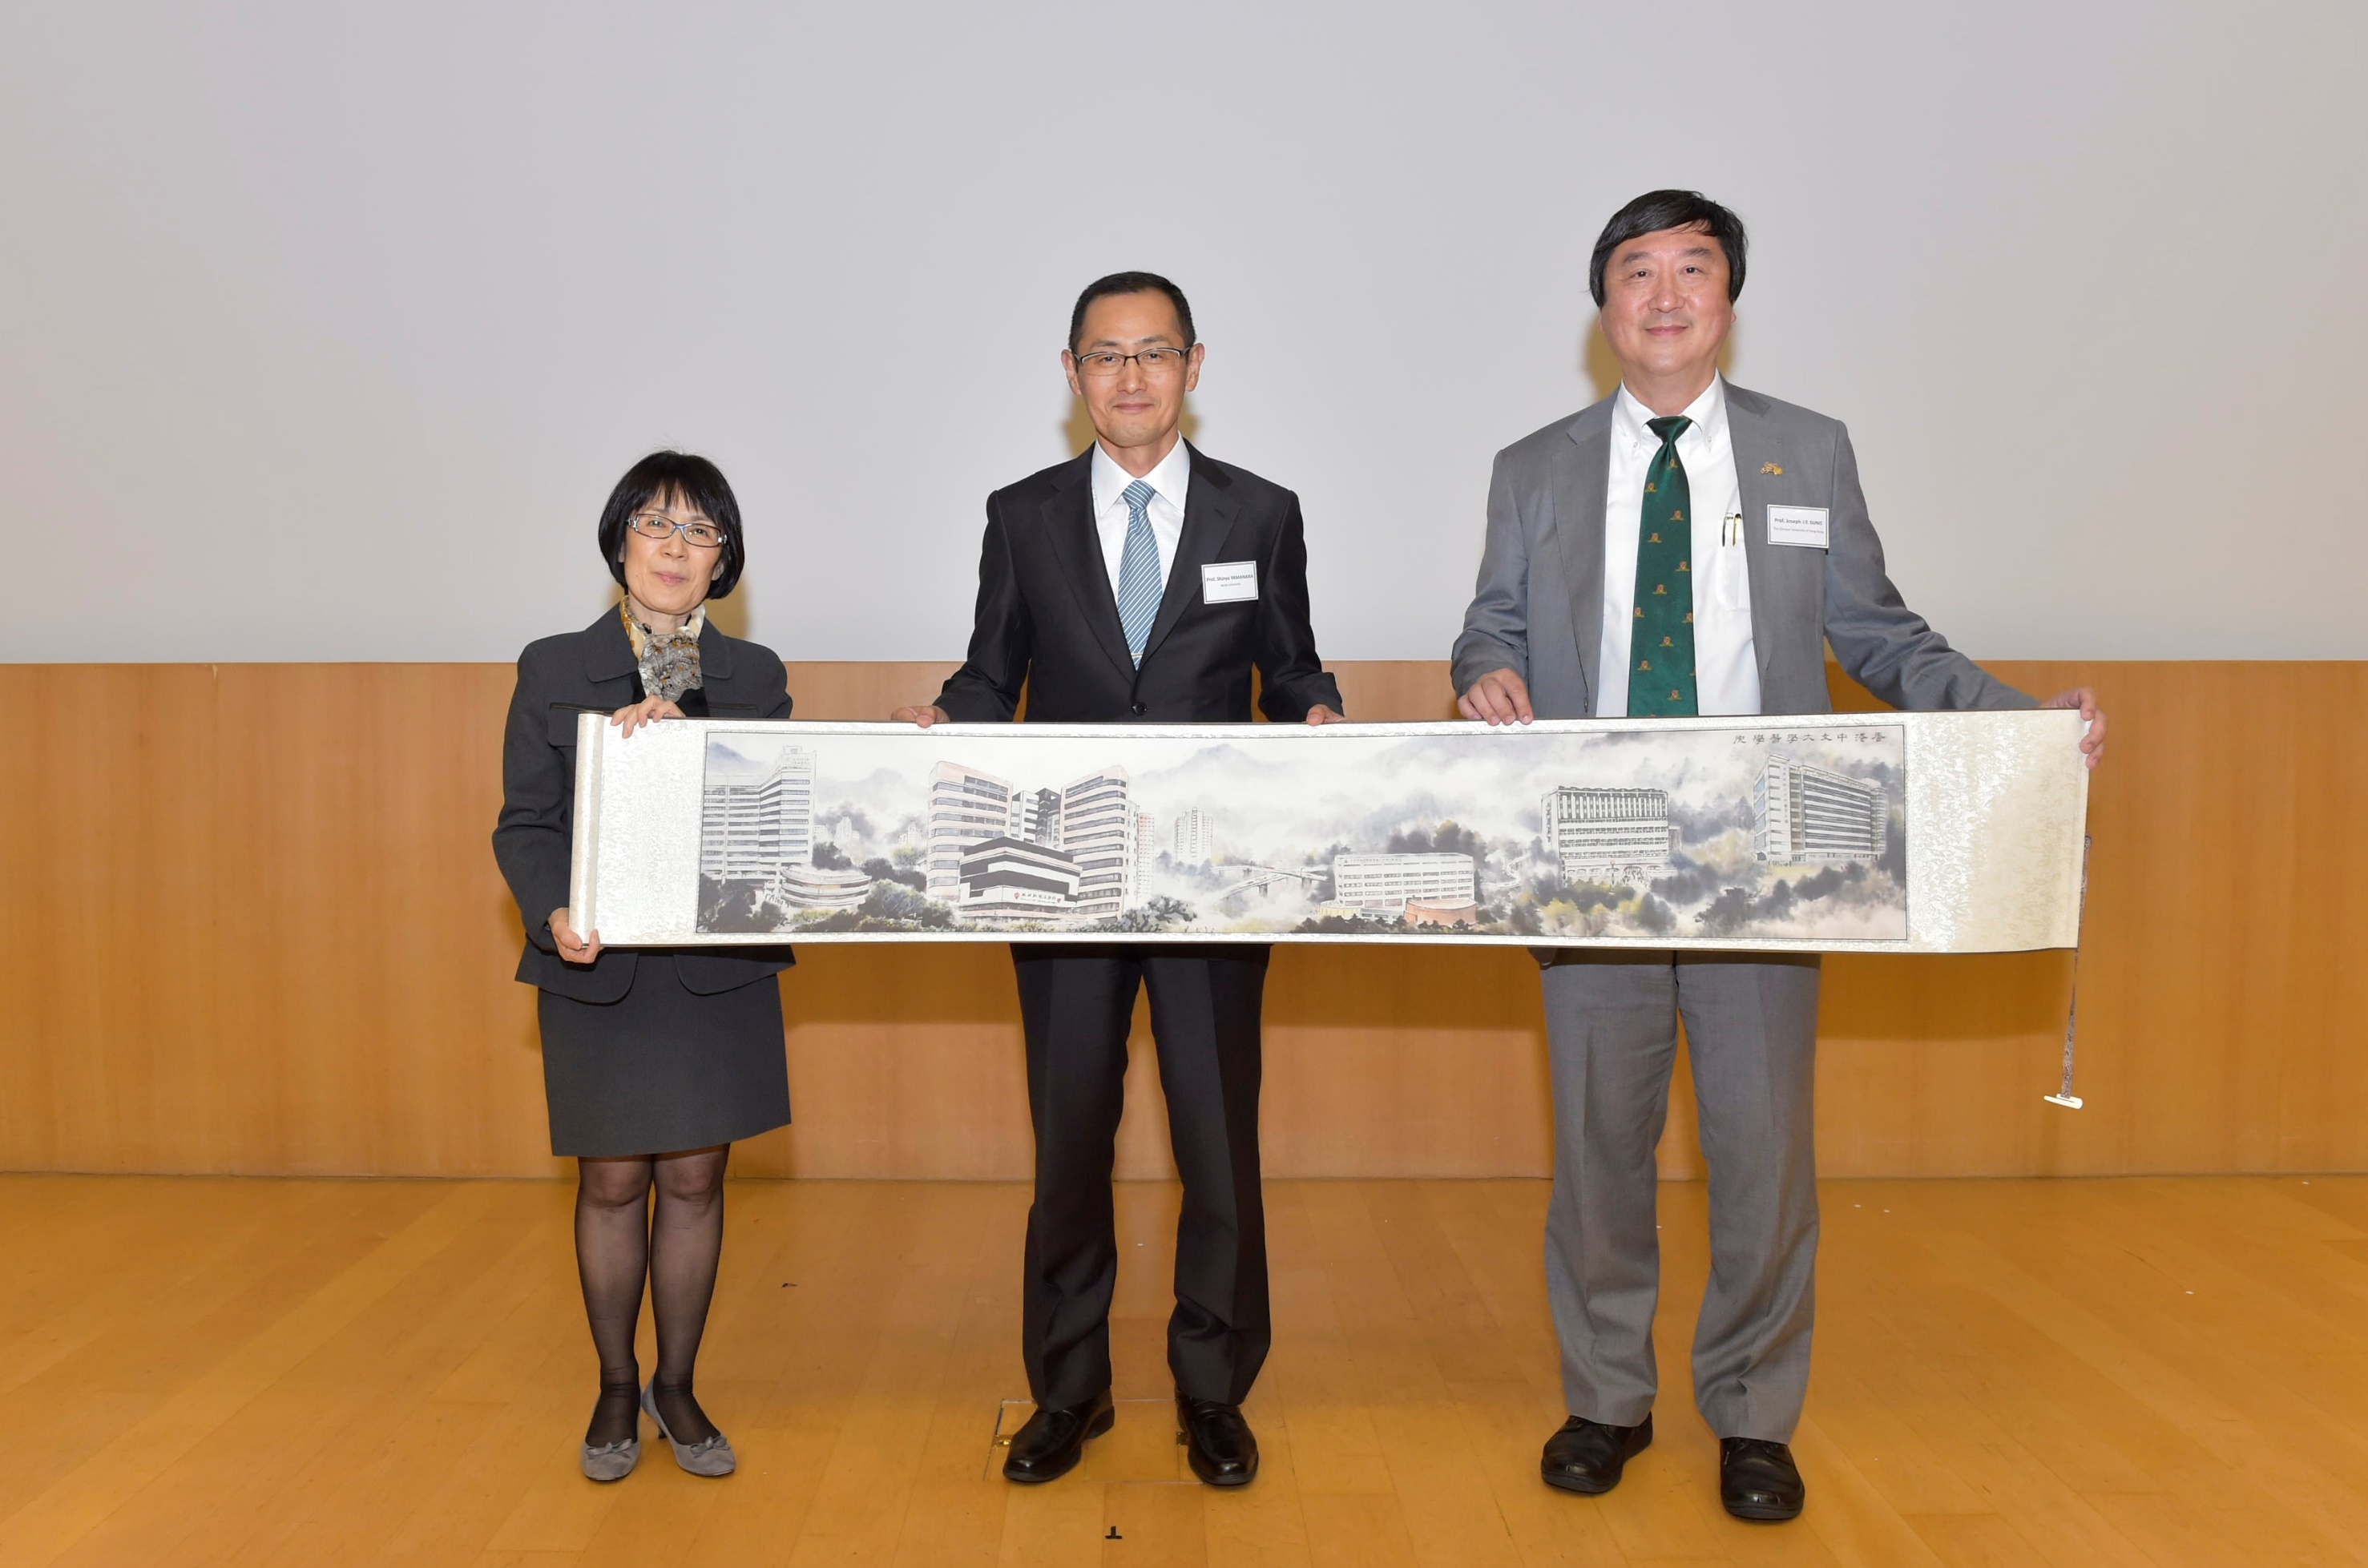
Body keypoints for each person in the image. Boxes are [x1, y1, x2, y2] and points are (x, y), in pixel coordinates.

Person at [1452, 191, 2107, 1522]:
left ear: (1728, 299)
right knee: (1598, 1144)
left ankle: (1753, 1410)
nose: (1666, 294)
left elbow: (1878, 631)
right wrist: (1490, 671)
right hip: (1596, 846)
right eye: (1638, 272)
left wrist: (2009, 720)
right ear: (1606, 308)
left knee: (1761, 1151)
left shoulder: (1806, 452)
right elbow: (1489, 625)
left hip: (1766, 852)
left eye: (1693, 268)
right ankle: (1605, 1397)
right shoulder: (1535, 466)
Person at [891, 272, 1343, 1487]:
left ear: (1195, 365)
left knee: (1215, 1138)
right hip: (1062, 870)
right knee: (1070, 1139)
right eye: (1106, 355)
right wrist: (950, 714)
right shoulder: (1024, 513)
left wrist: (1318, 712)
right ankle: (1068, 1388)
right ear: (1072, 371)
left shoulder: (1262, 513)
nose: (1130, 376)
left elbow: (1291, 665)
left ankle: (1213, 1385)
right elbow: (996, 671)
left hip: (1216, 875)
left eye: (1154, 353)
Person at [493, 450, 797, 1482]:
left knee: (701, 1175)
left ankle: (679, 1383)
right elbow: (525, 824)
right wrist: (552, 911)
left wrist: (691, 738)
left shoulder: (754, 679)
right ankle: (618, 1385)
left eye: (700, 531)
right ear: (620, 541)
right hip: (599, 960)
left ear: (725, 561)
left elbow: (771, 823)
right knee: (615, 1178)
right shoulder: (551, 664)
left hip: (713, 965)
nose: (675, 548)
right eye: (655, 525)